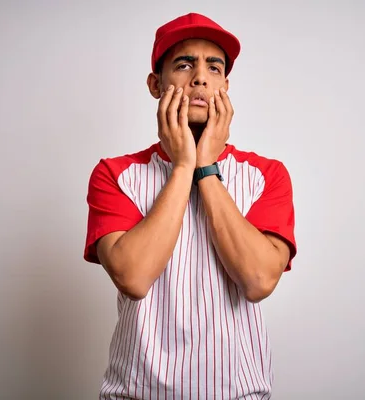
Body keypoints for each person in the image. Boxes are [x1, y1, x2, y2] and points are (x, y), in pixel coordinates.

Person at [84, 12, 297, 399]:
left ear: (225, 86)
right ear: (155, 84)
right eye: (184, 64)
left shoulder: (268, 175)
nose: (200, 77)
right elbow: (133, 277)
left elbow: (258, 281)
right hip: (136, 394)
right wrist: (184, 165)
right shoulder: (114, 174)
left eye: (213, 67)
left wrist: (206, 167)